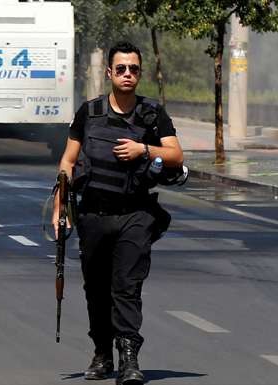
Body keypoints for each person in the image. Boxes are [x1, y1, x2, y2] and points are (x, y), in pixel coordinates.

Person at [53, 41, 183, 385]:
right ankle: (101, 353)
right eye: (121, 69)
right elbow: (67, 162)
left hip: (135, 214)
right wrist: (60, 207)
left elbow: (175, 156)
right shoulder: (89, 112)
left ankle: (129, 359)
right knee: (96, 288)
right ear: (109, 72)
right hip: (93, 215)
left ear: (140, 73)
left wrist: (144, 148)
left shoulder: (152, 114)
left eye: (134, 69)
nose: (128, 74)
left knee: (126, 286)